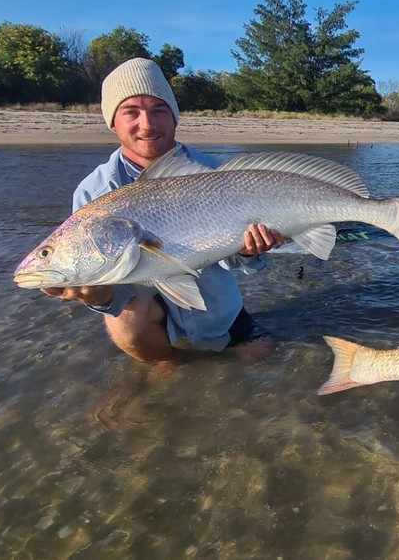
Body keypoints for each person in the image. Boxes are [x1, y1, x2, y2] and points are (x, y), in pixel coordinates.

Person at [41, 57, 282, 362]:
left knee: (263, 359)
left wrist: (249, 252)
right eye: (131, 112)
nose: (147, 124)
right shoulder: (92, 192)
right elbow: (110, 295)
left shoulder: (213, 171)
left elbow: (236, 262)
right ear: (113, 122)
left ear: (174, 117)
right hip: (148, 317)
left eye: (158, 111)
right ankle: (164, 361)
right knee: (129, 323)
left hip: (216, 311)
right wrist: (99, 298)